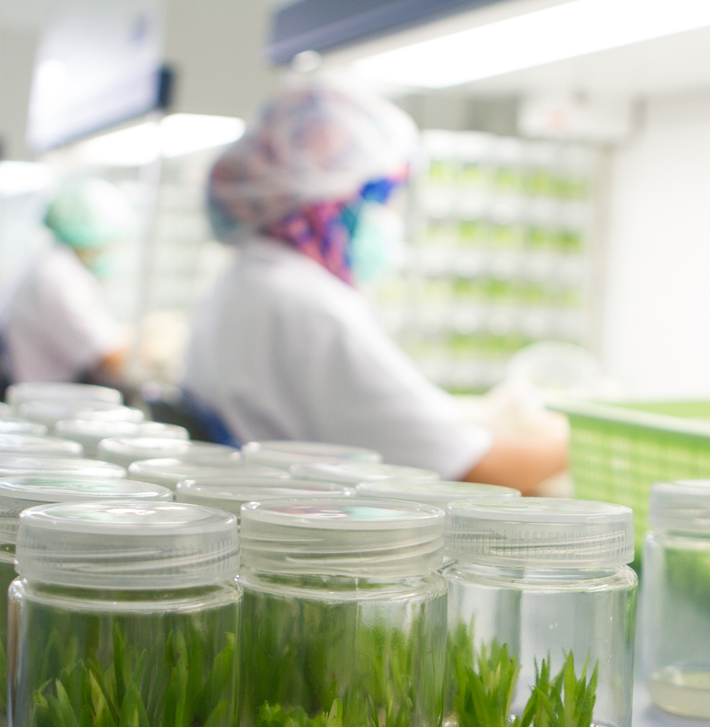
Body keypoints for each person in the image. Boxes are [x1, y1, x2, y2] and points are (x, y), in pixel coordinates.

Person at [181, 78, 566, 493]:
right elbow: (470, 471)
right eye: (382, 198)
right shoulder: (306, 305)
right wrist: (574, 440)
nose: (387, 219)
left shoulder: (251, 278)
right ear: (331, 200)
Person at [0, 178, 132, 385]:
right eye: (109, 242)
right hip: (46, 396)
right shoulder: (60, 278)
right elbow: (110, 359)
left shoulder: (48, 263)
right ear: (91, 236)